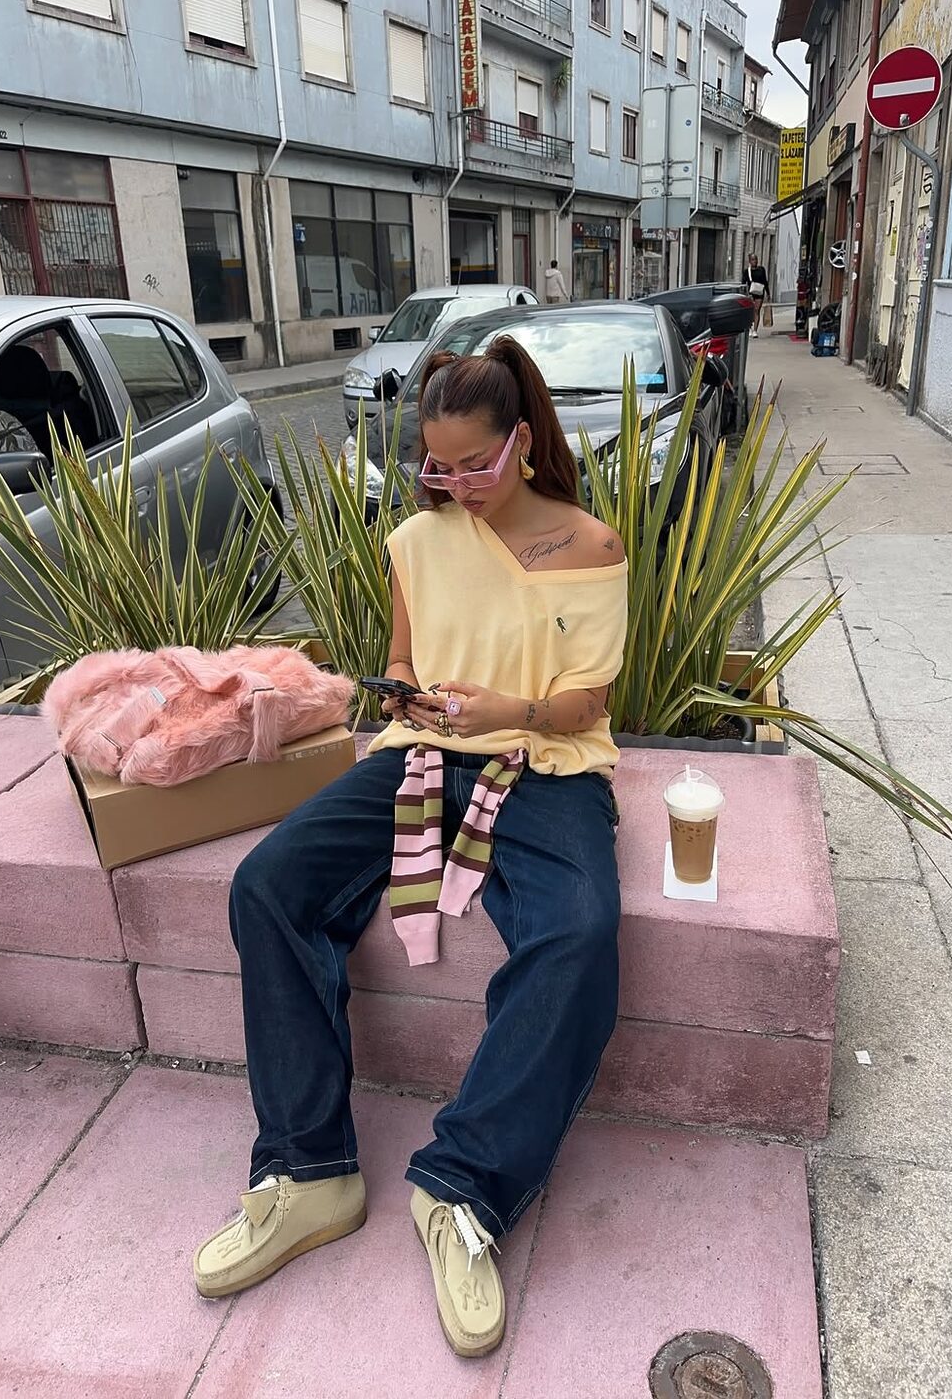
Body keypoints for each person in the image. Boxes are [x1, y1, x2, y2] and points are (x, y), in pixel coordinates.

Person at [192, 336, 629, 1359]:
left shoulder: (586, 543)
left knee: (578, 931)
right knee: (269, 884)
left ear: (521, 442)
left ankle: (465, 1188)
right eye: (439, 465)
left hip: (544, 760)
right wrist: (408, 697)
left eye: (476, 464)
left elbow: (586, 703)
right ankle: (308, 1171)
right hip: (424, 751)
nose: (456, 485)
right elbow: (401, 657)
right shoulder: (414, 540)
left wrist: (505, 708)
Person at [743, 252, 770, 336]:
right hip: (750, 293)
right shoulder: (747, 271)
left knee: (756, 310)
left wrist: (768, 293)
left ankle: (755, 330)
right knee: (750, 311)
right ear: (750, 261)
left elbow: (765, 281)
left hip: (759, 292)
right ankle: (750, 328)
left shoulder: (761, 269)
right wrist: (745, 294)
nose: (755, 261)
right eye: (753, 259)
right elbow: (743, 282)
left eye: (756, 259)